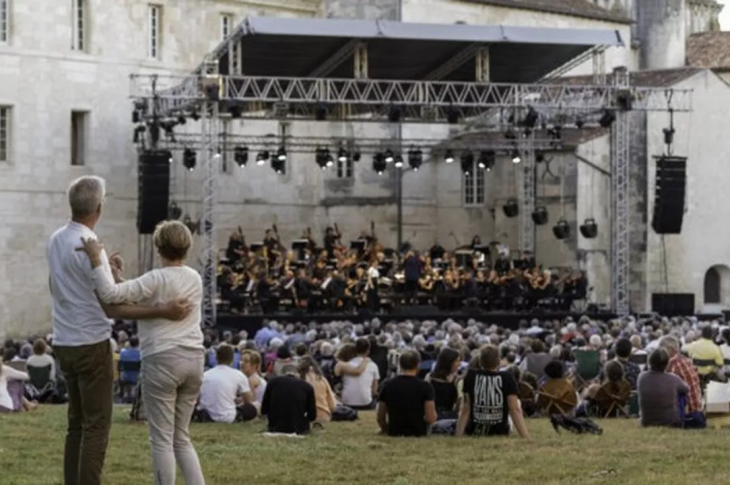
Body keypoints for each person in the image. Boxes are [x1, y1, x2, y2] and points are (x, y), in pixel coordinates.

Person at [49, 176, 191, 485]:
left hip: (63, 339)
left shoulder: (56, 238)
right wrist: (163, 310)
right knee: (97, 426)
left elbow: (65, 285)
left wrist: (109, 272)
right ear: (99, 207)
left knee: (76, 424)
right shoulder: (92, 249)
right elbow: (112, 307)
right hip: (90, 342)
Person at [79, 219, 205, 485]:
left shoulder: (155, 278)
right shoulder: (195, 278)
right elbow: (151, 296)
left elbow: (111, 295)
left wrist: (96, 262)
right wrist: (121, 277)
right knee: (181, 437)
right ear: (187, 247)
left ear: (158, 246)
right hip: (194, 357)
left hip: (163, 358)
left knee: (161, 439)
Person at [456, 345, 530, 439]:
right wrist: (526, 437)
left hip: (475, 430)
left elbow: (465, 409)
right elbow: (514, 409)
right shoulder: (507, 378)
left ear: (481, 361)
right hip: (500, 431)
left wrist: (458, 435)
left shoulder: (471, 376)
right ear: (498, 361)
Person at [377, 350, 437, 437]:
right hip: (418, 431)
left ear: (400, 365)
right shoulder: (426, 387)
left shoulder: (388, 385)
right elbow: (430, 418)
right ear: (418, 364)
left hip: (395, 430)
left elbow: (380, 417)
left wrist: (385, 428)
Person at [199, 344, 256, 423]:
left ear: (216, 358)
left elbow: (198, 398)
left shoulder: (205, 375)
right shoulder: (239, 375)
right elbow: (248, 401)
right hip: (229, 416)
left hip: (207, 415)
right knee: (252, 409)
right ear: (232, 359)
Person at [637, 348, 688, 428]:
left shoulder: (641, 377)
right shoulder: (673, 378)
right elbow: (686, 389)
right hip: (671, 422)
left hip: (646, 422)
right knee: (681, 394)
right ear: (667, 363)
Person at [261, 364, 317, 435]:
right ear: (297, 374)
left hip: (274, 427)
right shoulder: (307, 387)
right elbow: (312, 416)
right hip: (298, 429)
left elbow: (264, 410)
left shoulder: (272, 382)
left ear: (281, 374)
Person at [298, 356, 337, 423]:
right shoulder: (322, 379)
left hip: (303, 416)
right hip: (323, 414)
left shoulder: (298, 380)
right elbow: (332, 403)